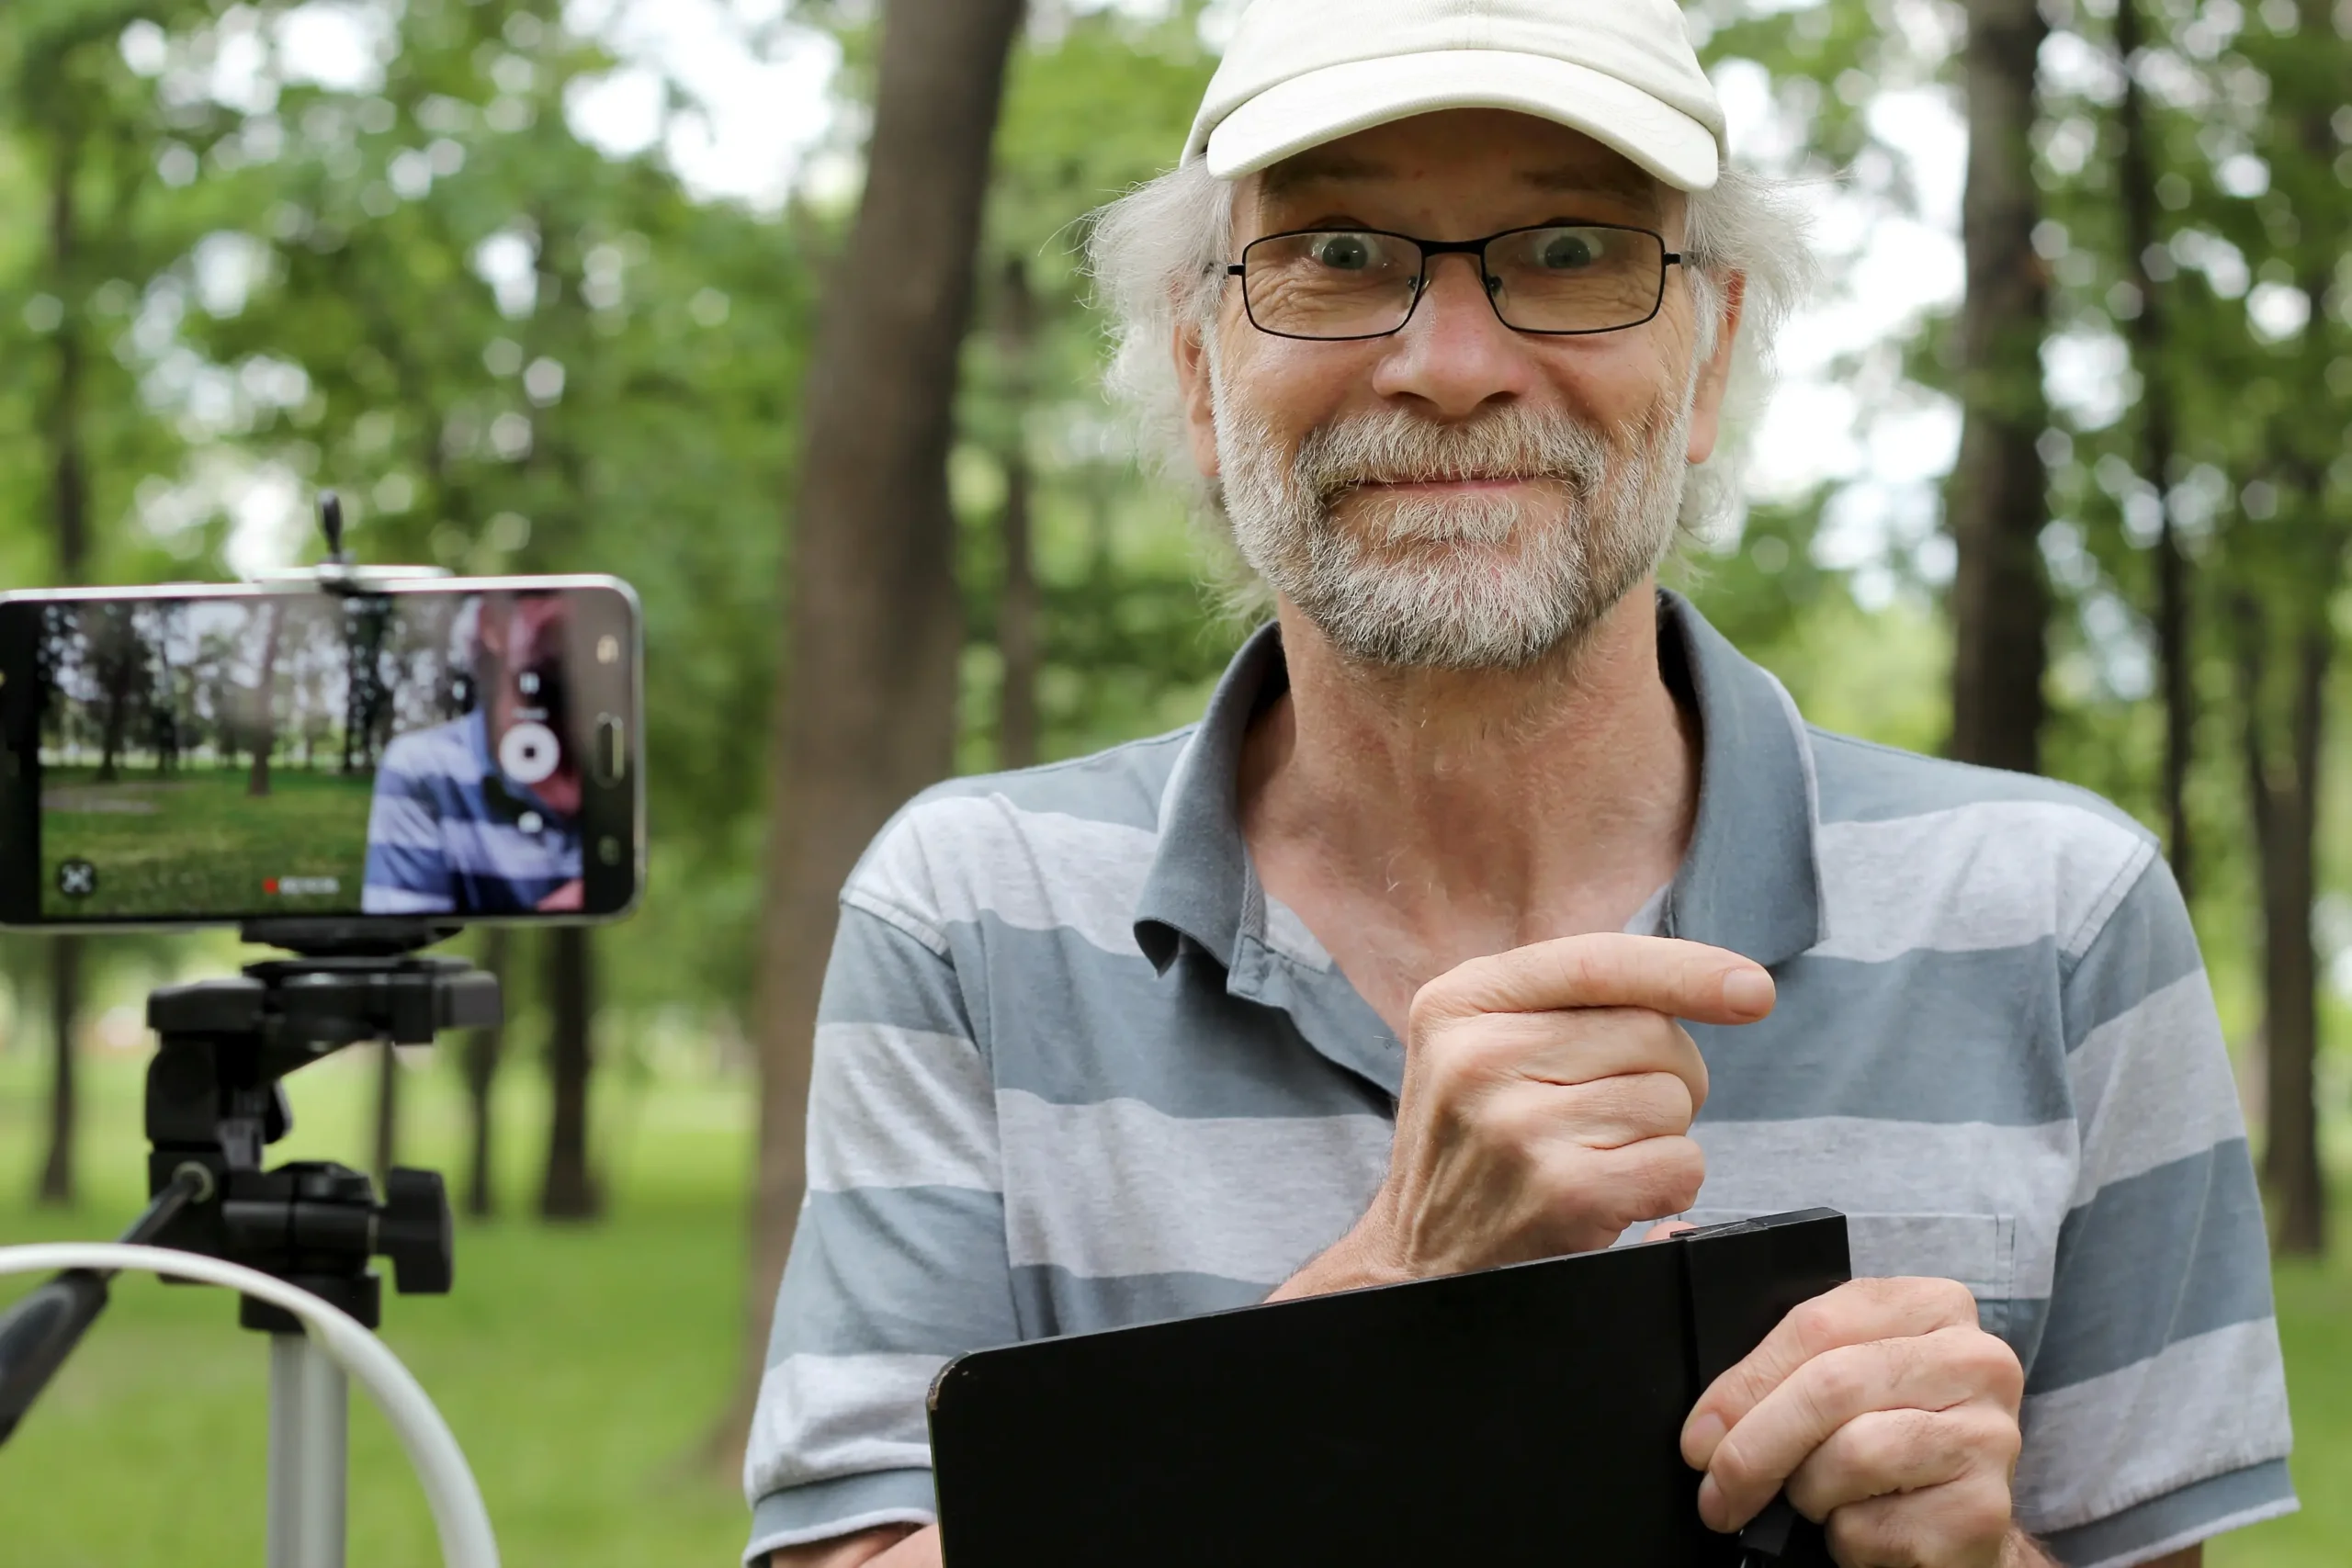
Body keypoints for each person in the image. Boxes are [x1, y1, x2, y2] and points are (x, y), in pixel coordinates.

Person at [744, 3, 2296, 1565]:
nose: (1453, 364)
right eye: (1339, 253)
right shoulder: (971, 913)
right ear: (1202, 371)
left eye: (1571, 250)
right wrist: (1383, 1297)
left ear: (1712, 359)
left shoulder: (2057, 918)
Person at [361, 591, 585, 915]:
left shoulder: (639, 762)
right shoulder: (424, 770)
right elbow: (405, 954)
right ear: (492, 625)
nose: (568, 609)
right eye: (542, 595)